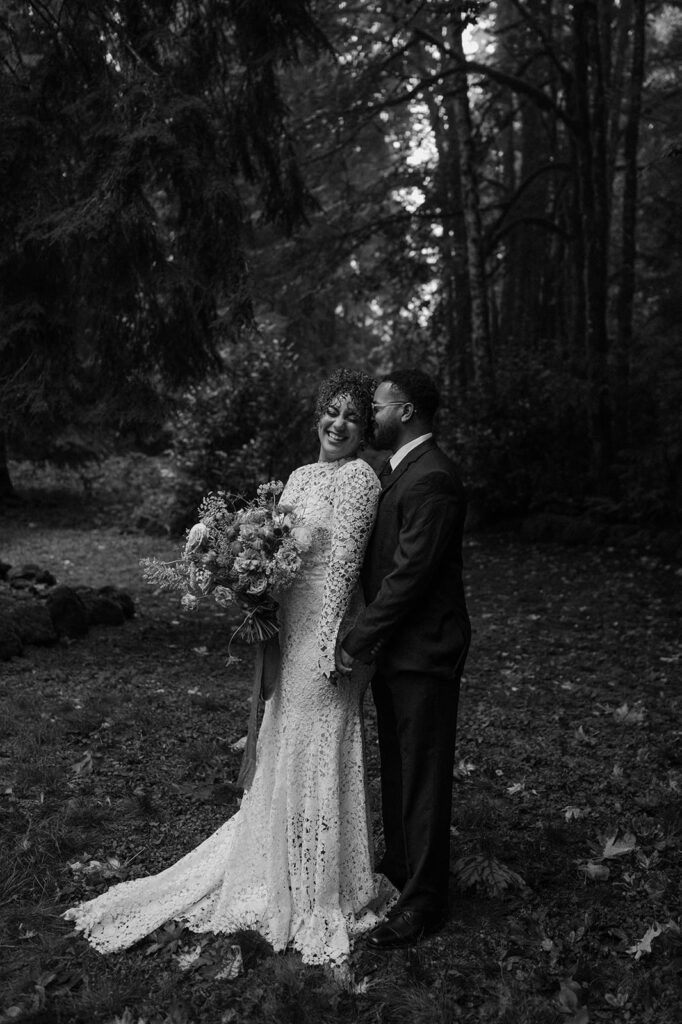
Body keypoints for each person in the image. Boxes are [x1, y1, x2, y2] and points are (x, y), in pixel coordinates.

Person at [63, 369, 395, 968]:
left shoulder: (359, 479)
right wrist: (249, 581)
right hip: (287, 628)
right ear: (318, 416)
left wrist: (329, 649)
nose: (338, 424)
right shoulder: (297, 477)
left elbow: (344, 566)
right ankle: (277, 865)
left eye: (351, 416)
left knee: (316, 747)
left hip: (323, 636)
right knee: (281, 745)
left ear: (364, 430)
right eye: (331, 412)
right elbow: (277, 549)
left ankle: (318, 886)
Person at [337, 368, 470, 949]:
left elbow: (408, 577)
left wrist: (356, 637)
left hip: (424, 652)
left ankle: (425, 903)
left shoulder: (434, 478)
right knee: (398, 767)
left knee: (424, 777)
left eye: (380, 406)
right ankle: (399, 870)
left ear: (408, 411)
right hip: (398, 652)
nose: (372, 414)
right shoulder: (399, 471)